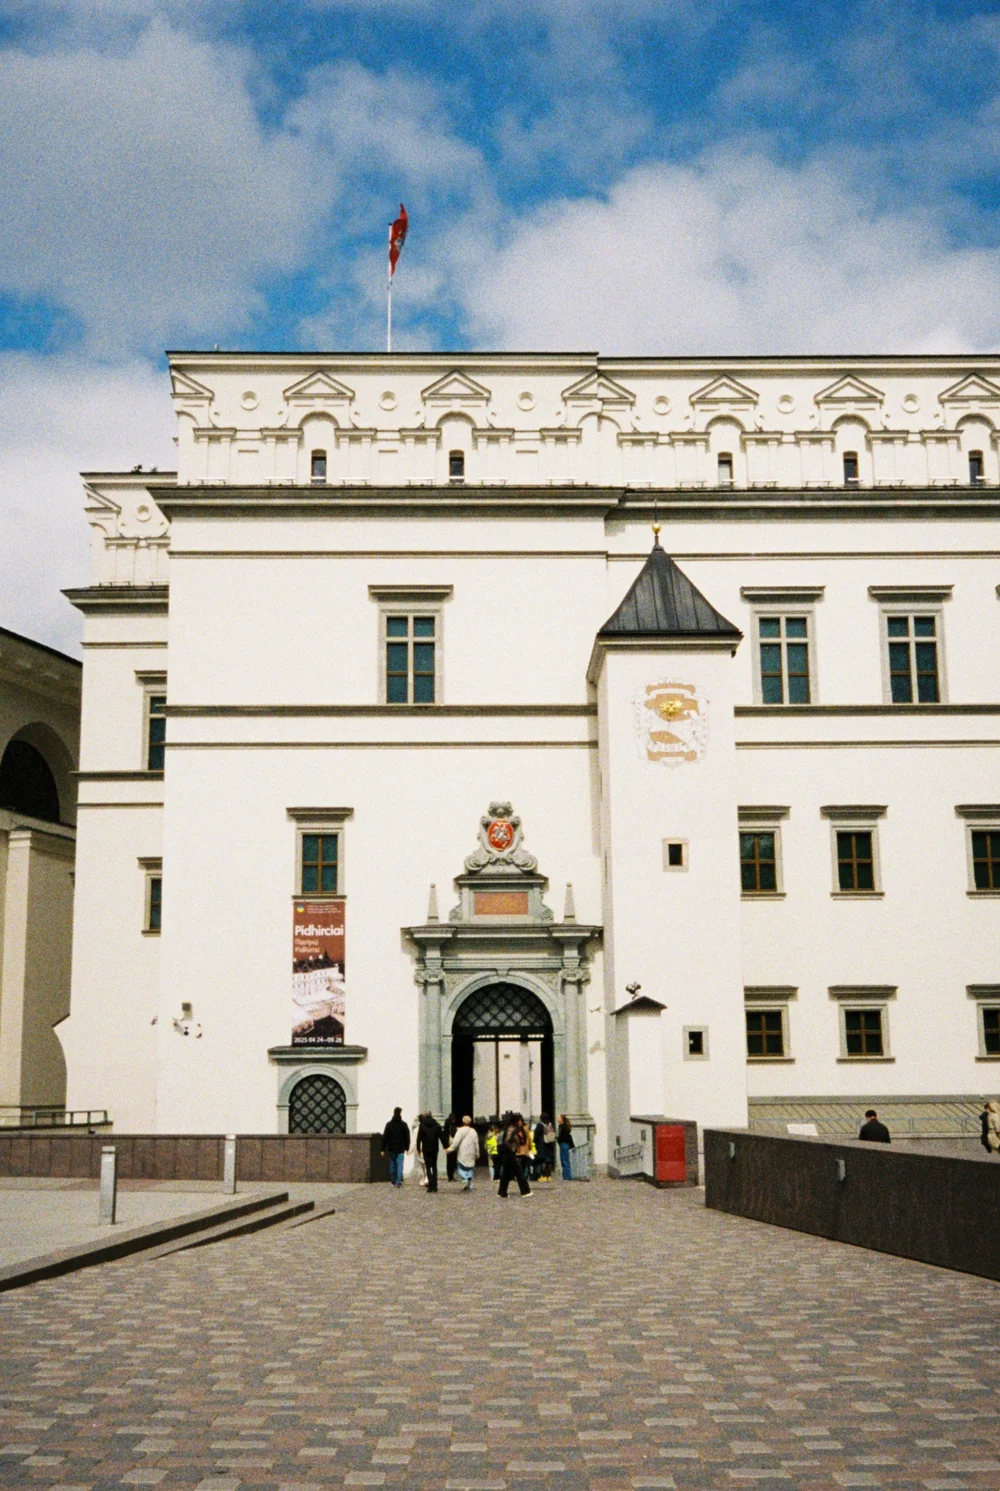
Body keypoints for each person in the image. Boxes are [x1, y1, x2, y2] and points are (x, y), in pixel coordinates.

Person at [497, 1114, 532, 1198]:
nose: (521, 1122)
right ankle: (525, 1191)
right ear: (516, 1121)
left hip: (509, 1154)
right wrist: (513, 1148)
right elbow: (507, 1141)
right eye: (520, 1120)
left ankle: (502, 1192)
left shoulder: (515, 1129)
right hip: (509, 1153)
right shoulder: (511, 1129)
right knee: (519, 1172)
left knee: (506, 1173)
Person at [447, 1114, 481, 1190]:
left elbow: (455, 1142)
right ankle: (469, 1184)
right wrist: (477, 1153)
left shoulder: (460, 1131)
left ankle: (465, 1179)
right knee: (470, 1169)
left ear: (463, 1121)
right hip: (471, 1152)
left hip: (463, 1152)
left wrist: (449, 1149)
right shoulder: (473, 1131)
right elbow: (476, 1143)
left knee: (461, 1167)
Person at [381, 1106, 411, 1186]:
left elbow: (385, 1137)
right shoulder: (404, 1124)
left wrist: (382, 1149)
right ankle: (399, 1181)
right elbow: (407, 1137)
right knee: (400, 1165)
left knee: (392, 1164)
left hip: (391, 1148)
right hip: (401, 1148)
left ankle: (393, 1181)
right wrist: (407, 1147)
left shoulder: (389, 1124)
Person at [417, 1111, 443, 1192]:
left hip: (426, 1149)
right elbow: (442, 1136)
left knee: (428, 1167)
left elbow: (419, 1138)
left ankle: (430, 1186)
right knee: (434, 1166)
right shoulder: (437, 1125)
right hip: (435, 1148)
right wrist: (446, 1146)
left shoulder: (422, 1125)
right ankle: (435, 1185)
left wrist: (418, 1149)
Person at [534, 1113, 556, 1181]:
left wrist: (536, 1142)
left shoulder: (540, 1125)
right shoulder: (550, 1124)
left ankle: (543, 1176)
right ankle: (549, 1176)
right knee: (549, 1161)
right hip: (549, 1145)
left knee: (542, 1161)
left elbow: (536, 1136)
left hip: (542, 1145)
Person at [557, 1114, 575, 1181]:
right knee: (563, 1160)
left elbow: (564, 1136)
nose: (557, 1119)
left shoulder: (563, 1127)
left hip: (564, 1144)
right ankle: (565, 1176)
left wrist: (558, 1138)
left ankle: (567, 1176)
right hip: (563, 1144)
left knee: (565, 1160)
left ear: (562, 1119)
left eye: (559, 1118)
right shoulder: (561, 1126)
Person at [443, 1113, 459, 1182]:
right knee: (452, 1161)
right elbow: (453, 1133)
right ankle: (451, 1176)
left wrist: (445, 1146)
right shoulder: (451, 1125)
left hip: (447, 1145)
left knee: (449, 1161)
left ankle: (449, 1176)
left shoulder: (446, 1124)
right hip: (451, 1145)